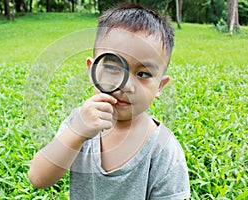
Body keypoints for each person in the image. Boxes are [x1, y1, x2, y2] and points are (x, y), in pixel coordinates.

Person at [29, 4, 190, 200]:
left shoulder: (163, 149)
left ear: (159, 86)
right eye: (113, 67)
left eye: (143, 74)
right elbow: (38, 178)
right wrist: (76, 133)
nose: (127, 86)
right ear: (93, 70)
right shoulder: (78, 122)